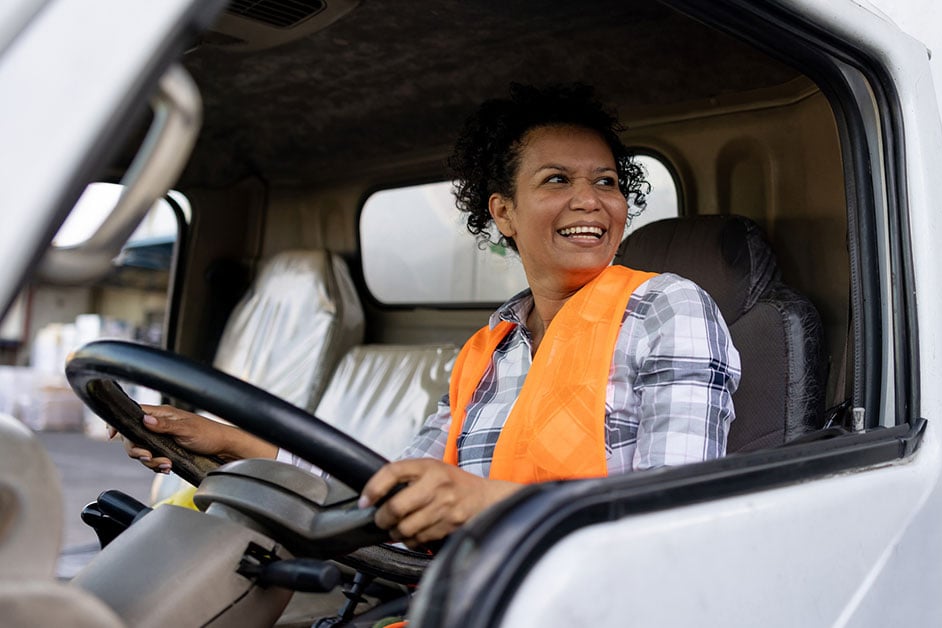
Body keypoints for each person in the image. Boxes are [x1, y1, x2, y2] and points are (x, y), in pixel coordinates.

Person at [117, 83, 741, 547]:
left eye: (606, 182)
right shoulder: (488, 348)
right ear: (503, 212)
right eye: (556, 180)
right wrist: (234, 446)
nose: (590, 200)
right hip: (457, 589)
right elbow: (390, 484)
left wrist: (483, 504)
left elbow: (676, 508)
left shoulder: (667, 307)